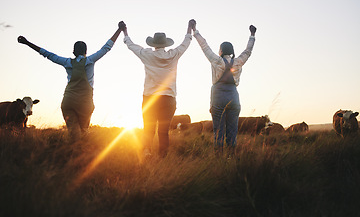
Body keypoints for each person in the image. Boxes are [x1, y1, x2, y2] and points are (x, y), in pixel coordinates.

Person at [17, 22, 123, 140]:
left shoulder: (67, 62)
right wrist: (119, 30)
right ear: (86, 52)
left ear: (73, 52)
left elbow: (47, 54)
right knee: (84, 133)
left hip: (68, 102)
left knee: (74, 135)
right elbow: (106, 47)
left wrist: (27, 43)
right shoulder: (90, 60)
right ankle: (83, 154)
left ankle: (71, 152)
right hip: (85, 103)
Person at [119, 20, 195, 157]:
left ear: (153, 45)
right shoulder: (173, 55)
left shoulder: (147, 55)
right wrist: (190, 28)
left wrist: (124, 31)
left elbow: (131, 45)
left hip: (150, 98)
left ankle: (147, 152)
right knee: (163, 131)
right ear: (165, 44)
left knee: (148, 128)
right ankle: (162, 157)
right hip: (168, 99)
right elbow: (186, 43)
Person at [191, 21, 256, 156]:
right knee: (232, 132)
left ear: (220, 51)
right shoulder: (238, 62)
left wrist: (195, 31)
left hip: (218, 97)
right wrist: (252, 35)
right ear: (232, 52)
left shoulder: (217, 60)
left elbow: (204, 46)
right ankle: (231, 157)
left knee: (218, 131)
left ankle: (219, 159)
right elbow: (248, 51)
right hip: (234, 97)